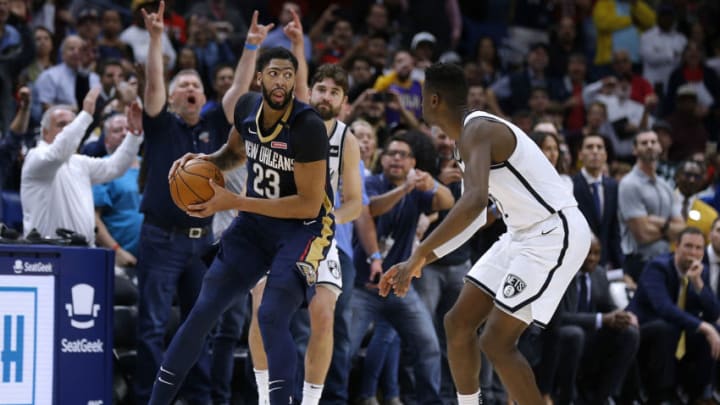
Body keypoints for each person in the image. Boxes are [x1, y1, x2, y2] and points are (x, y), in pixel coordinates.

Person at [379, 63, 591, 405]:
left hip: (555, 231)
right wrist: (420, 259)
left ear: (433, 100)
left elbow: (475, 202)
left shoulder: (479, 129)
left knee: (496, 342)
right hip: (520, 234)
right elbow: (475, 220)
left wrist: (418, 255)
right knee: (457, 322)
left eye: (421, 98)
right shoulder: (466, 141)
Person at [148, 41, 334, 405]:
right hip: (255, 225)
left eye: (289, 75)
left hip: (305, 229)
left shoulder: (308, 126)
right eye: (275, 74)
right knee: (202, 312)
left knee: (270, 314)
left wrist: (234, 201)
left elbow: (309, 204)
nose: (281, 81)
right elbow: (232, 153)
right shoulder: (247, 108)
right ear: (260, 78)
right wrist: (200, 162)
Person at [133, 2, 227, 402]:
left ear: (203, 97)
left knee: (199, 322)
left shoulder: (212, 129)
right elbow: (153, 84)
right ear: (171, 98)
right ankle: (149, 398)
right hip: (161, 238)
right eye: (183, 86)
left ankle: (199, 397)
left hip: (202, 241)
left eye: (195, 86)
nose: (190, 90)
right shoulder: (160, 125)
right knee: (152, 325)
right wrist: (156, 39)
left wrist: (253, 49)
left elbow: (237, 92)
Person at [21, 88, 143, 245]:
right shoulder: (36, 157)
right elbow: (58, 151)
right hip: (46, 256)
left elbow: (115, 167)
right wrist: (85, 116)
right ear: (45, 132)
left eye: (72, 125)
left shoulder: (78, 162)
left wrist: (134, 134)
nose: (68, 130)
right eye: (61, 124)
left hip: (84, 252)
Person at [627, 227, 720, 403]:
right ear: (676, 246)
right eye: (688, 246)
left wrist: (698, 284)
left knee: (713, 330)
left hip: (676, 331)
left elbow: (714, 312)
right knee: (669, 328)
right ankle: (661, 395)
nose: (693, 252)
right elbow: (664, 308)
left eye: (698, 248)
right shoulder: (658, 267)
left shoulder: (701, 272)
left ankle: (697, 393)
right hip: (643, 328)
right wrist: (703, 327)